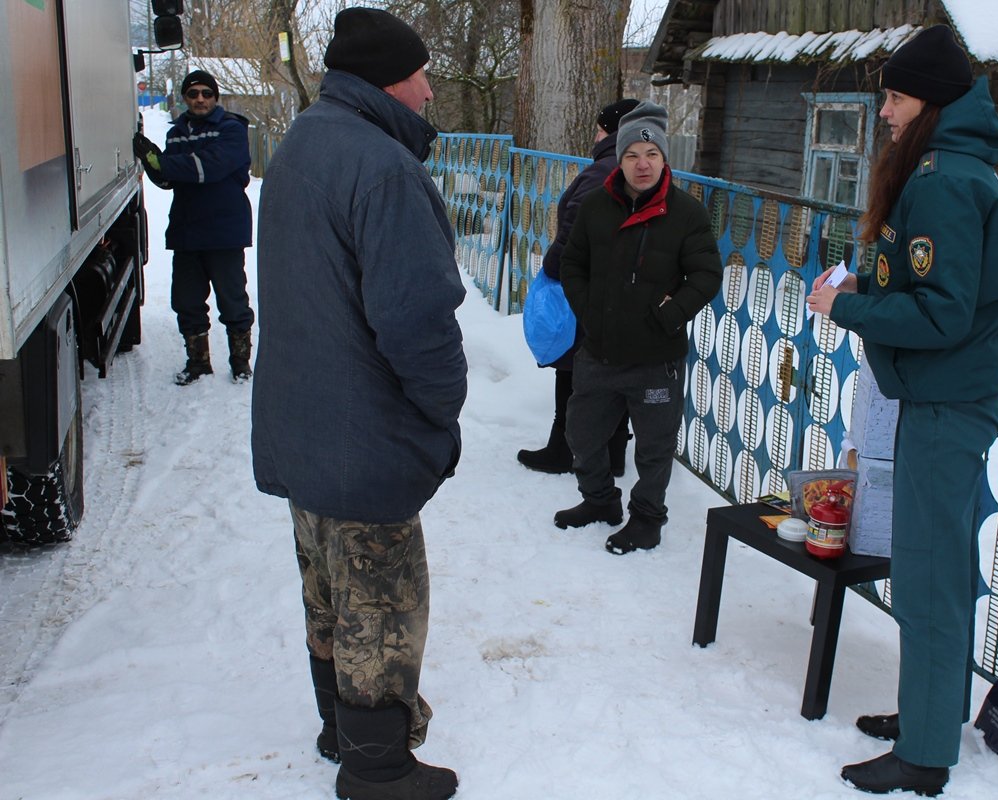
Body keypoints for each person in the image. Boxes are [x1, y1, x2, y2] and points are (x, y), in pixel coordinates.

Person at [805, 25, 998, 796]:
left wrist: (848, 307)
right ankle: (934, 710)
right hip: (954, 396)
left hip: (943, 402)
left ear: (929, 103)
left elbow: (941, 313)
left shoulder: (942, 181)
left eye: (896, 98)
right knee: (945, 570)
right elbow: (952, 290)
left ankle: (925, 756)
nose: (886, 113)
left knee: (929, 578)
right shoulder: (966, 168)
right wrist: (867, 290)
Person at [252, 8, 465, 800]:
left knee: (327, 588)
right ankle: (378, 768)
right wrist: (441, 408)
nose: (430, 90)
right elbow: (416, 320)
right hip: (362, 434)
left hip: (302, 423)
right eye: (420, 75)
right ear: (387, 81)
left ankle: (340, 730)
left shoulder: (304, 142)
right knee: (379, 603)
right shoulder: (381, 166)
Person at [556, 101, 722, 555]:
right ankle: (599, 500)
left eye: (651, 154)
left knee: (653, 447)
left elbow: (707, 274)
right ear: (620, 159)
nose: (642, 164)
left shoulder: (686, 213)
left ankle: (647, 519)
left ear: (664, 158)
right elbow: (572, 264)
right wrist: (589, 312)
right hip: (600, 351)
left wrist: (670, 314)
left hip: (655, 358)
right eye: (632, 155)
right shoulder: (596, 206)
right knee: (581, 434)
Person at [516, 98, 639, 476]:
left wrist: (554, 269)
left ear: (611, 131)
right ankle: (614, 452)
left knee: (572, 365)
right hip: (630, 287)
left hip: (592, 285)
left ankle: (562, 449)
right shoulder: (646, 168)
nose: (595, 136)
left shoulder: (604, 170)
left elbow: (576, 226)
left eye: (600, 129)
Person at [132, 69, 255, 385]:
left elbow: (211, 167)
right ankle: (198, 362)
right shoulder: (177, 133)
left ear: (215, 97)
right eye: (193, 93)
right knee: (187, 302)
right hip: (187, 231)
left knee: (232, 301)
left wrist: (165, 164)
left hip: (224, 231)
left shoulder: (232, 129)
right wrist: (152, 163)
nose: (200, 99)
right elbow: (169, 180)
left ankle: (241, 363)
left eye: (206, 93)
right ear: (185, 98)